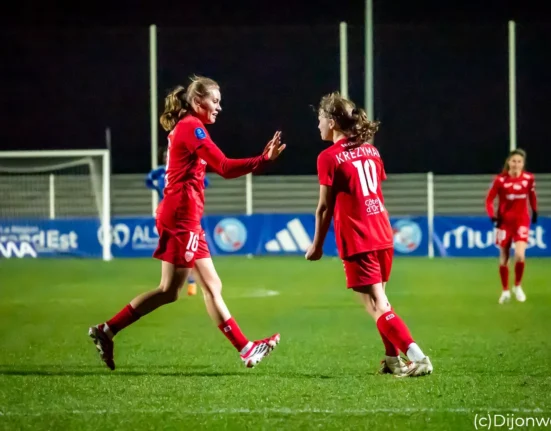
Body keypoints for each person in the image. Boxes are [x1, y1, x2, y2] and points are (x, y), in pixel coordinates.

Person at [89, 75, 286, 370]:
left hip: (184, 216)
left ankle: (246, 349)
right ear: (197, 101)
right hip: (181, 217)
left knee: (207, 285)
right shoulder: (192, 127)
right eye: (215, 101)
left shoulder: (189, 127)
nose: (219, 107)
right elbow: (224, 167)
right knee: (171, 290)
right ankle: (107, 329)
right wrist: (262, 160)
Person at [305, 91, 433, 377]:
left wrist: (317, 245)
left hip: (358, 236)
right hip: (382, 232)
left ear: (332, 122)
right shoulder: (371, 151)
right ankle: (392, 359)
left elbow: (324, 208)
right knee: (381, 301)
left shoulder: (329, 157)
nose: (318, 125)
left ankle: (418, 357)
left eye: (320, 119)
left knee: (376, 304)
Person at [146, 148, 211, 296]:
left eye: (168, 155)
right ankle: (171, 282)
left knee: (187, 250)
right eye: (165, 155)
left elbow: (205, 182)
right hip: (167, 215)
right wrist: (157, 189)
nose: (166, 157)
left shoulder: (185, 169)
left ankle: (191, 282)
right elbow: (148, 179)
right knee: (172, 249)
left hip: (185, 214)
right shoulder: (161, 171)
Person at [485, 149, 538, 304]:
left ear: (523, 164)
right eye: (513, 161)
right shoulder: (500, 180)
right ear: (508, 162)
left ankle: (517, 286)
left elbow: (532, 196)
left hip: (521, 221)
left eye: (519, 162)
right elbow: (489, 200)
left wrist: (535, 211)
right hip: (504, 223)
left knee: (520, 255)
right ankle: (505, 291)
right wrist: (492, 217)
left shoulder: (529, 178)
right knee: (504, 258)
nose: (516, 164)